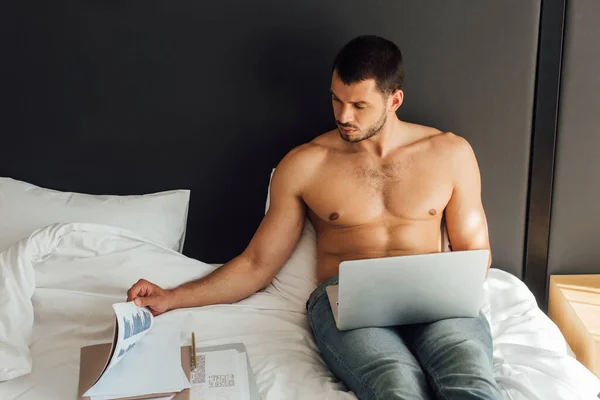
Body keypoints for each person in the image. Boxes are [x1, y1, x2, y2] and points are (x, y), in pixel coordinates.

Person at [126, 35, 503, 399]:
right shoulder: (306, 164)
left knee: (468, 379)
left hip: (434, 299)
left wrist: (447, 289)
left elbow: (474, 253)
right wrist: (172, 298)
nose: (343, 115)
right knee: (395, 383)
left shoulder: (449, 154)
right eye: (336, 100)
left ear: (394, 100)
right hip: (346, 304)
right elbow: (257, 264)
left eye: (359, 105)